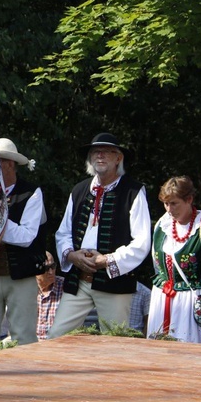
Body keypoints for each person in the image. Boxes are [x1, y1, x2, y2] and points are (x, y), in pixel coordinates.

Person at [48, 133, 152, 338]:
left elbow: (141, 242)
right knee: (56, 336)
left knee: (115, 342)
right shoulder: (79, 190)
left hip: (113, 283)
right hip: (79, 279)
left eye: (107, 152)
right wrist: (71, 255)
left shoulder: (133, 191)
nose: (100, 155)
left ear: (118, 158)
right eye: (95, 152)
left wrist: (107, 260)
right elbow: (63, 232)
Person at [0, 138, 48, 346]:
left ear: (10, 164)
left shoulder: (32, 193)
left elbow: (26, 237)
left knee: (24, 336)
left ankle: (25, 378)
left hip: (21, 276)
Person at [146, 177, 201, 343]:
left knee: (190, 350)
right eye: (166, 204)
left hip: (193, 300)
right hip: (162, 298)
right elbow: (156, 264)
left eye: (174, 203)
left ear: (189, 199)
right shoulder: (162, 225)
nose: (169, 209)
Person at [36, 251, 64, 341]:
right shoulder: (25, 290)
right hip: (30, 343)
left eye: (53, 266)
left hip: (58, 343)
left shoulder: (65, 288)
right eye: (46, 268)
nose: (51, 272)